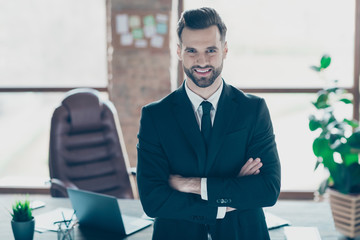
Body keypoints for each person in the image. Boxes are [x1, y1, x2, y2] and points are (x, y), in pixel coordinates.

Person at [137, 7, 281, 240]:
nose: (201, 60)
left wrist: (188, 184)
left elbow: (267, 189)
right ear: (179, 51)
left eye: (211, 50)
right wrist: (229, 196)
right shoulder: (155, 116)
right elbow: (153, 200)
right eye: (191, 50)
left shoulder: (253, 110)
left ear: (224, 50)